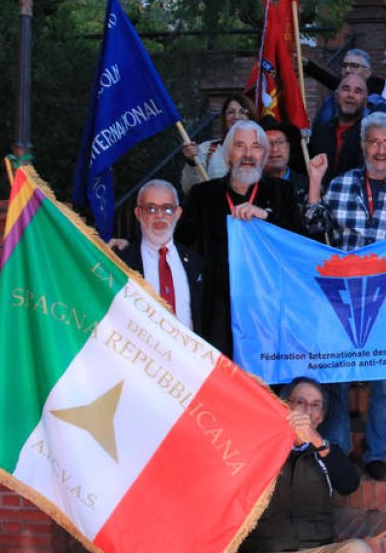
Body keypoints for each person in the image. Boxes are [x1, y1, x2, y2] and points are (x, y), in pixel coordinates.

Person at [305, 112, 386, 482]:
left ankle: (376, 454)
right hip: (342, 300)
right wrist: (315, 181)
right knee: (338, 381)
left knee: (385, 384)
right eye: (374, 142)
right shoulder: (340, 184)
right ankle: (338, 448)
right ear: (362, 145)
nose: (381, 150)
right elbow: (314, 225)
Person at [175, 120, 304, 358]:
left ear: (264, 155)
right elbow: (178, 242)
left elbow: (300, 243)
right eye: (240, 146)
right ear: (227, 156)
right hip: (218, 310)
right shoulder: (202, 195)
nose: (248, 154)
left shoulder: (282, 192)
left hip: (269, 309)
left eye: (255, 146)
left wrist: (266, 217)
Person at [239, 377, 372, 553]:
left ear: (321, 417)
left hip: (317, 551)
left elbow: (349, 485)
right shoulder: (261, 448)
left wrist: (316, 440)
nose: (308, 411)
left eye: (315, 405)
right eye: (300, 402)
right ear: (285, 407)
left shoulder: (327, 451)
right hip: (269, 552)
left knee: (358, 549)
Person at [119, 179, 203, 331]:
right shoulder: (120, 263)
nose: (159, 215)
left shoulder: (196, 264)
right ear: (138, 213)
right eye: (151, 209)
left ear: (178, 213)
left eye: (167, 209)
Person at [307, 73, 385, 186]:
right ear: (336, 95)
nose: (350, 95)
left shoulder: (372, 138)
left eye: (357, 91)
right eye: (346, 89)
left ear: (365, 102)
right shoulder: (320, 132)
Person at [179, 93, 254, 194]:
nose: (236, 116)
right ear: (224, 118)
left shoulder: (261, 150)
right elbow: (189, 189)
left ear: (251, 117)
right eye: (230, 112)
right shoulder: (207, 149)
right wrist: (192, 163)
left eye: (243, 112)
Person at [303, 48, 386, 128]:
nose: (347, 70)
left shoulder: (376, 103)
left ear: (367, 72)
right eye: (345, 65)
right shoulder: (330, 101)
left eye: (354, 66)